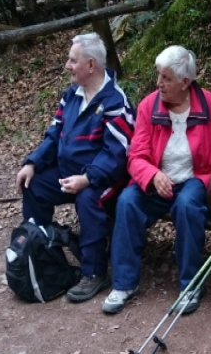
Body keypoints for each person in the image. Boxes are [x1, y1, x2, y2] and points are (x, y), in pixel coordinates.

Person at [101, 45, 211, 315]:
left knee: (188, 206)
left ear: (185, 82)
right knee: (128, 201)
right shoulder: (148, 107)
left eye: (165, 78)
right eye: (158, 76)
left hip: (195, 178)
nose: (159, 83)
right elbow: (136, 156)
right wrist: (152, 175)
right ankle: (124, 284)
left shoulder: (209, 104)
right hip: (157, 181)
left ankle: (190, 284)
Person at [16, 33, 135, 302]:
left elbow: (116, 154)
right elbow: (54, 135)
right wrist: (33, 162)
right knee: (33, 185)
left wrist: (87, 178)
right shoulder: (71, 96)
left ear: (91, 65)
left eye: (72, 60)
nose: (67, 65)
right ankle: (41, 253)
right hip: (67, 172)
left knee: (88, 198)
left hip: (107, 179)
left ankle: (94, 272)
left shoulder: (115, 102)